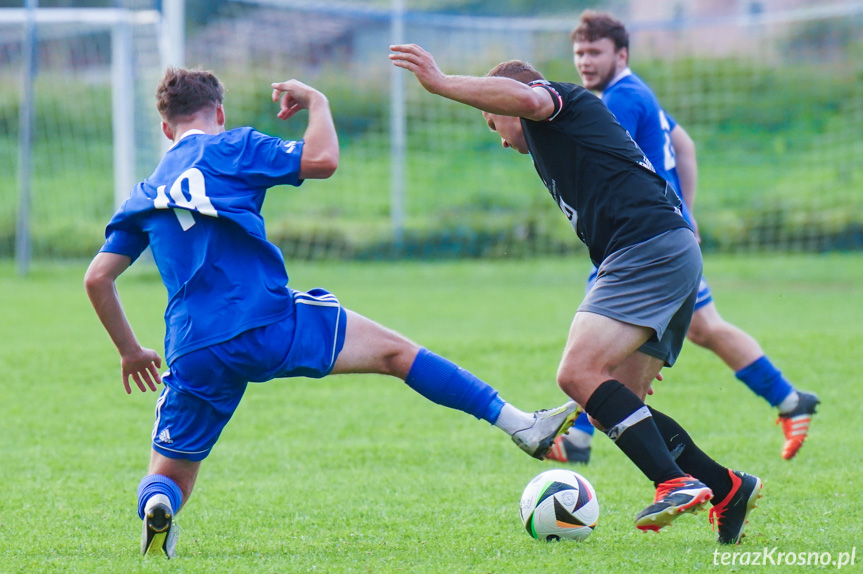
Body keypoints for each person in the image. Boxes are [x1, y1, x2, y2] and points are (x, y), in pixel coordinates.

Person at [83, 67, 579, 558]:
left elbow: (97, 278)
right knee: (396, 354)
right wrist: (318, 103)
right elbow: (322, 160)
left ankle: (158, 508)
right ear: (219, 112)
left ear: (166, 128)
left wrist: (130, 351)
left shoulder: (144, 194)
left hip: (194, 347)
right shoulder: (233, 145)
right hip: (270, 321)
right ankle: (519, 423)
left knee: (171, 474)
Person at [390, 43, 762, 544]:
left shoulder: (559, 103)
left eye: (492, 121)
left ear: (508, 104)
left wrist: (439, 82)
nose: (498, 138)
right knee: (620, 399)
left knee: (576, 373)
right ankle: (728, 487)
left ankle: (673, 481)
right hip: (666, 252)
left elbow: (529, 98)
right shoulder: (555, 142)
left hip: (646, 249)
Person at [548, 10, 819, 466]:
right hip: (661, 237)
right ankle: (791, 401)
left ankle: (578, 438)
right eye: (579, 53)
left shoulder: (619, 101)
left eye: (595, 52)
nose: (585, 62)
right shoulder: (636, 92)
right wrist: (685, 214)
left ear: (622, 53)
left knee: (593, 341)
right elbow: (685, 145)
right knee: (702, 327)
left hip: (641, 242)